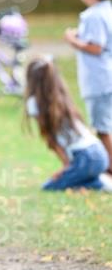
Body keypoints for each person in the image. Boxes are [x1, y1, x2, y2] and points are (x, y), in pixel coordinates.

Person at [24, 56, 110, 191]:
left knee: (49, 187)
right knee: (71, 179)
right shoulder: (61, 97)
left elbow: (50, 139)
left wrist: (66, 166)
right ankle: (99, 180)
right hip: (99, 152)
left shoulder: (34, 103)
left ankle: (99, 183)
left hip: (84, 158)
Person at [64, 0, 112, 173]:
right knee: (105, 125)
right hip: (107, 78)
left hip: (98, 81)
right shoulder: (107, 10)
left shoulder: (93, 15)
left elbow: (96, 47)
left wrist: (72, 40)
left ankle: (109, 169)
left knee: (102, 129)